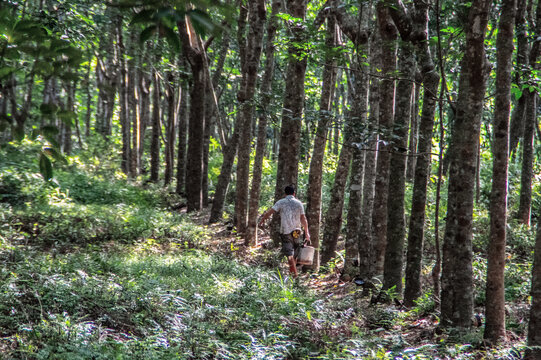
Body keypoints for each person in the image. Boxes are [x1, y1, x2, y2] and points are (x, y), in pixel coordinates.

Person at [258, 185, 311, 278]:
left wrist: (262, 220)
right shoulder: (299, 203)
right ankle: (293, 275)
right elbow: (303, 218)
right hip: (297, 232)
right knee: (294, 253)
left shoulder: (281, 202)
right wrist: (307, 232)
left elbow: (270, 212)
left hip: (286, 231)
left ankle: (294, 276)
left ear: (285, 194)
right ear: (294, 193)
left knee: (289, 255)